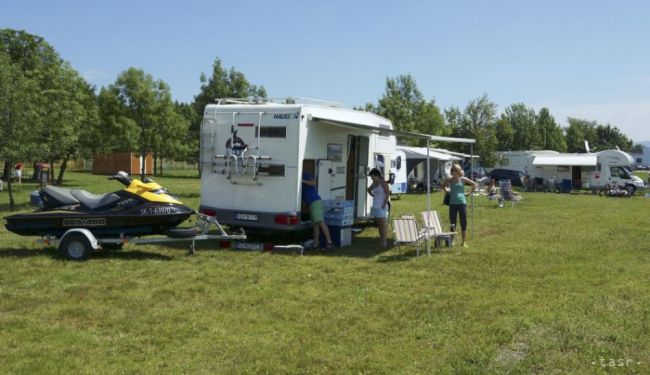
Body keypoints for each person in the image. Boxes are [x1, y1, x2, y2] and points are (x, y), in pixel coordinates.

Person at [443, 163, 478, 247]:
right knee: (453, 222)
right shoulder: (449, 180)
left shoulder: (462, 179)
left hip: (462, 203)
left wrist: (470, 192)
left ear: (459, 171)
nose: (453, 171)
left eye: (455, 170)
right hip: (452, 203)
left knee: (463, 222)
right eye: (452, 170)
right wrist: (448, 192)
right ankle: (451, 241)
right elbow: (443, 186)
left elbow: (475, 184)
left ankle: (463, 242)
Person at [301, 172, 334, 251]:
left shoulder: (304, 175)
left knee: (320, 222)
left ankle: (330, 243)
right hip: (312, 204)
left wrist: (301, 180)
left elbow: (313, 183)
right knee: (315, 227)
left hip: (316, 202)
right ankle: (315, 245)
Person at [367, 168, 390, 248]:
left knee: (382, 224)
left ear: (377, 175)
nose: (372, 179)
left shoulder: (383, 183)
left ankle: (384, 242)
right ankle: (381, 240)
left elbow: (387, 193)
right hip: (375, 206)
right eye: (371, 178)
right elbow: (368, 190)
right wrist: (373, 195)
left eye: (373, 177)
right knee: (379, 224)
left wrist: (384, 204)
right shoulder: (374, 183)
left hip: (382, 206)